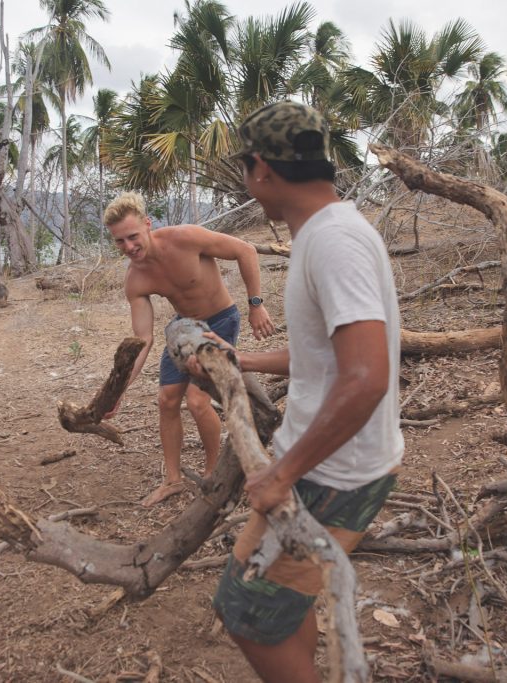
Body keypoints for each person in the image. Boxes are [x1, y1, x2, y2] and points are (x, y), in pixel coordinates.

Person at [202, 101, 404, 682]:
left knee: (246, 610)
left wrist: (282, 472)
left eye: (245, 168)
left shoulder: (333, 242)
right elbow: (328, 359)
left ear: (262, 169)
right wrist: (242, 362)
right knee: (277, 603)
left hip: (335, 474)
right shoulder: (329, 230)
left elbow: (365, 377)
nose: (246, 179)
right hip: (328, 461)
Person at [103, 191, 275, 507]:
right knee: (167, 400)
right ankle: (173, 480)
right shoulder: (136, 280)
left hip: (221, 320)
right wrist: (119, 391)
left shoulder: (186, 238)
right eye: (119, 242)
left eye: (133, 236)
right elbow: (143, 340)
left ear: (147, 224)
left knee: (197, 402)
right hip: (184, 329)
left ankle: (213, 474)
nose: (129, 247)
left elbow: (245, 251)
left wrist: (256, 305)